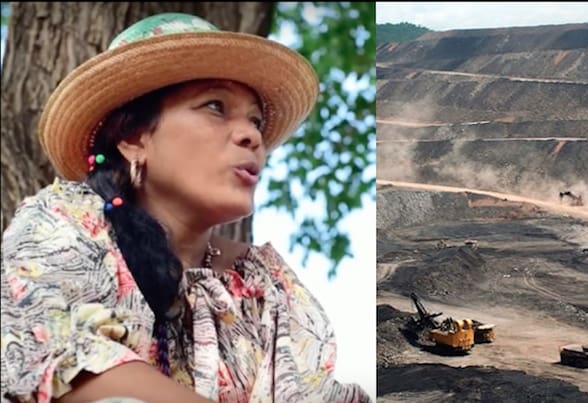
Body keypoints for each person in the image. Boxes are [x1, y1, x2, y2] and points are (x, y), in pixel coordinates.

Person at [0, 12, 370, 403]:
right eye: (215, 106)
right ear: (132, 137)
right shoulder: (62, 224)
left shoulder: (269, 285)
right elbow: (65, 364)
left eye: (256, 121)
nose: (251, 136)